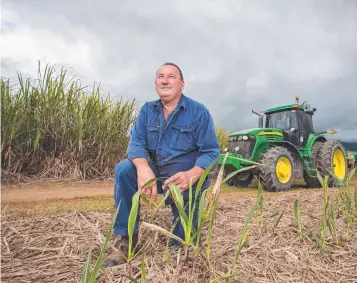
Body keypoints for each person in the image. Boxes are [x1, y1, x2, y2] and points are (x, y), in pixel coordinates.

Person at [102, 62, 220, 267]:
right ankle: (127, 240)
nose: (165, 80)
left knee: (182, 250)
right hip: (156, 175)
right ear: (155, 82)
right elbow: (136, 143)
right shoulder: (148, 110)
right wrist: (143, 167)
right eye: (160, 76)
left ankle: (184, 236)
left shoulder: (199, 112)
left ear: (182, 84)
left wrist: (193, 173)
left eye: (171, 77)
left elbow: (211, 151)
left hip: (186, 183)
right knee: (124, 169)